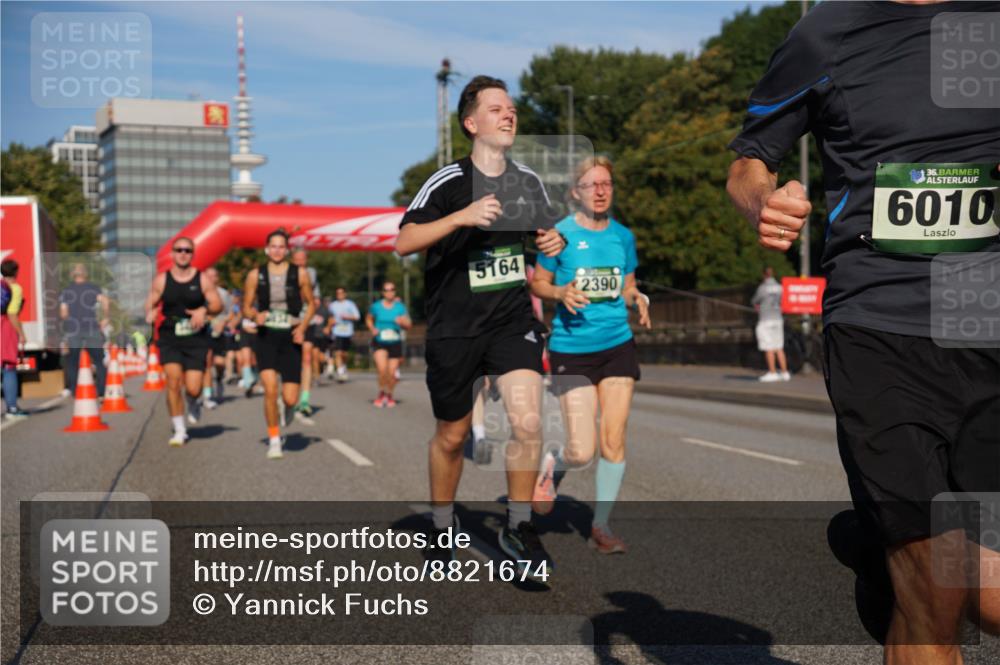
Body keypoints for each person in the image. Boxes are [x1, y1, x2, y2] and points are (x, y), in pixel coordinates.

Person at [726, 0, 1000, 657]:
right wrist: (766, 201)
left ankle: (879, 551)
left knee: (986, 597)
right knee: (935, 594)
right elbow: (748, 161)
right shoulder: (829, 29)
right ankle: (899, 556)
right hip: (879, 324)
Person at [395, 74, 565, 577]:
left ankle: (516, 526)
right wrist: (461, 217)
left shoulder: (528, 181)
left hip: (512, 321)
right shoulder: (447, 182)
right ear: (471, 123)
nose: (508, 114)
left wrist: (551, 245)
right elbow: (404, 242)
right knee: (453, 434)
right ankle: (443, 525)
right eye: (496, 109)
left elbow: (543, 241)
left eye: (511, 108)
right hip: (455, 326)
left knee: (529, 421)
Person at [529, 156, 651, 554]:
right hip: (572, 348)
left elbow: (628, 286)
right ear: (574, 193)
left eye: (606, 184)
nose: (600, 191)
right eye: (591, 184)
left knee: (613, 440)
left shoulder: (623, 237)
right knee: (581, 449)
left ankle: (601, 525)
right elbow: (540, 285)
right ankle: (554, 464)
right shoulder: (557, 235)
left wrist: (638, 299)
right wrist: (561, 292)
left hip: (617, 343)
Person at [242, 229, 316, 459]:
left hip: (290, 335)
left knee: (290, 397)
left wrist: (302, 327)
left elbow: (312, 304)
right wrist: (255, 316)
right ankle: (274, 439)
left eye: (281, 246)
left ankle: (289, 407)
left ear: (287, 250)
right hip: (266, 336)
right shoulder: (255, 275)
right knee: (270, 390)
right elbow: (246, 306)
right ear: (267, 249)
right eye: (272, 246)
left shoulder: (300, 274)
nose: (276, 250)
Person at [144, 237, 223, 446]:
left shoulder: (202, 279)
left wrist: (204, 309)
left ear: (192, 254)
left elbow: (217, 304)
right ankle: (179, 429)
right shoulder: (162, 280)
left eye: (187, 250)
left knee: (194, 387)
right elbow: (150, 302)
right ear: (172, 254)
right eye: (179, 250)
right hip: (170, 336)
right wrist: (150, 312)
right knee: (173, 381)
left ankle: (193, 400)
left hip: (195, 337)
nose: (183, 253)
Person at [59, 263, 109, 398]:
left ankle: (75, 391)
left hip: (74, 330)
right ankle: (101, 391)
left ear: (73, 274)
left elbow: (63, 313)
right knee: (99, 360)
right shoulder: (93, 288)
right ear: (85, 274)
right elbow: (105, 301)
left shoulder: (67, 291)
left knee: (73, 361)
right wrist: (105, 317)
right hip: (92, 328)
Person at [365, 282, 411, 407]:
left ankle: (389, 394)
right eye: (386, 290)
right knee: (382, 369)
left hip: (395, 341)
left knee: (391, 373)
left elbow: (408, 325)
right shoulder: (376, 306)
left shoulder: (400, 307)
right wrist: (372, 328)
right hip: (380, 341)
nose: (389, 292)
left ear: (395, 291)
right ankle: (381, 393)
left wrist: (402, 323)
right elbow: (368, 318)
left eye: (392, 289)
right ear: (383, 292)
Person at [291, 249, 320, 417]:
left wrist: (312, 305)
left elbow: (314, 298)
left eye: (303, 260)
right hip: (290, 320)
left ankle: (305, 400)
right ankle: (289, 395)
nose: (300, 263)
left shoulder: (311, 273)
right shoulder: (287, 273)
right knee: (291, 359)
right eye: (297, 260)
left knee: (307, 357)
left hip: (307, 320)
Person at [202, 266, 233, 409]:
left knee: (219, 363)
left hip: (220, 332)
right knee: (207, 361)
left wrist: (223, 323)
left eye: (213, 276)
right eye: (208, 276)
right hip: (205, 331)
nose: (210, 279)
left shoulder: (223, 294)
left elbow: (231, 313)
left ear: (217, 278)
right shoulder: (199, 293)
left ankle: (220, 379)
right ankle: (207, 395)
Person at [751, 267, 789, 382]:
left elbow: (754, 301)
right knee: (779, 347)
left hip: (766, 319)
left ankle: (772, 372)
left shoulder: (762, 288)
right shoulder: (779, 287)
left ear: (764, 275)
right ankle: (784, 372)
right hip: (777, 318)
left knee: (769, 347)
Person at [1, 260, 28, 420]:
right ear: (16, 272)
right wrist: (22, 334)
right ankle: (12, 407)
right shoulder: (15, 289)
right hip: (5, 328)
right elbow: (12, 314)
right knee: (9, 368)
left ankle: (12, 406)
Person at [328, 287, 361, 383]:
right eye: (337, 293)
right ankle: (340, 372)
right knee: (338, 352)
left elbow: (357, 316)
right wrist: (330, 323)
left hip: (347, 332)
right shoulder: (333, 305)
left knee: (344, 353)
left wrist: (348, 317)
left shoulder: (350, 304)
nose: (339, 295)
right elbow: (329, 317)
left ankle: (343, 365)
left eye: (341, 293)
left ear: (345, 294)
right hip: (336, 331)